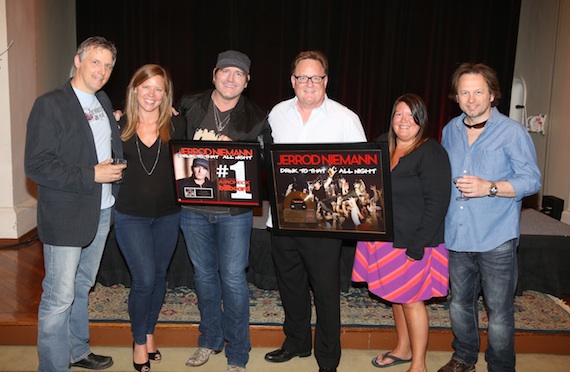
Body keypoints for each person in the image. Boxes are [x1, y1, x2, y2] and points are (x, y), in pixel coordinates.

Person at [24, 36, 125, 371]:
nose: (103, 71)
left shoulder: (101, 100)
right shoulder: (50, 104)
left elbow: (98, 143)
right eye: (96, 62)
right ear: (78, 60)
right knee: (58, 297)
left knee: (82, 287)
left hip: (100, 210)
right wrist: (90, 175)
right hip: (66, 215)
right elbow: (36, 165)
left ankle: (76, 350)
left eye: (109, 65)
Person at [264, 50, 366, 372]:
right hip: (282, 218)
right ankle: (296, 342)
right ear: (293, 81)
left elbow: (362, 172)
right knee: (290, 286)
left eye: (316, 77)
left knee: (325, 293)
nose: (309, 83)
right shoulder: (276, 113)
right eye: (303, 77)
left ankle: (327, 360)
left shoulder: (346, 119)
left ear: (326, 80)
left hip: (325, 224)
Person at [438, 63, 541, 372]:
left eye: (478, 91)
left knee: (498, 311)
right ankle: (464, 357)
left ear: (493, 94)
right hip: (457, 235)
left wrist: (490, 187)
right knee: (459, 304)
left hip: (496, 237)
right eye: (465, 92)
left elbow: (532, 181)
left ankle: (500, 366)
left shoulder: (512, 132)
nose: (471, 99)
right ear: (456, 96)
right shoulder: (450, 130)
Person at [177, 50, 272, 372]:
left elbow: (264, 162)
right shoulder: (189, 104)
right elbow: (166, 134)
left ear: (247, 82)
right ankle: (208, 339)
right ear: (214, 73)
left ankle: (238, 353)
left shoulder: (258, 116)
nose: (231, 78)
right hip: (192, 207)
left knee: (232, 279)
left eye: (239, 74)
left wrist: (238, 151)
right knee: (203, 277)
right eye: (226, 72)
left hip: (234, 211)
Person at [352, 94, 451, 371]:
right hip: (386, 238)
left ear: (422, 120)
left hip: (415, 240)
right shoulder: (383, 143)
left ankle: (418, 364)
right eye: (399, 114)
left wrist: (417, 246)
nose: (404, 120)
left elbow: (438, 203)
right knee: (395, 295)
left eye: (411, 115)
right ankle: (403, 349)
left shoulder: (431, 152)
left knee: (412, 301)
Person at [113, 64, 186, 372]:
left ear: (165, 94)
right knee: (143, 278)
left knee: (158, 278)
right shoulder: (118, 125)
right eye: (146, 87)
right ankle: (138, 341)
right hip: (130, 215)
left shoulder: (177, 125)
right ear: (134, 89)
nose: (152, 94)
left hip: (169, 215)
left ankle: (149, 332)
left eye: (159, 88)